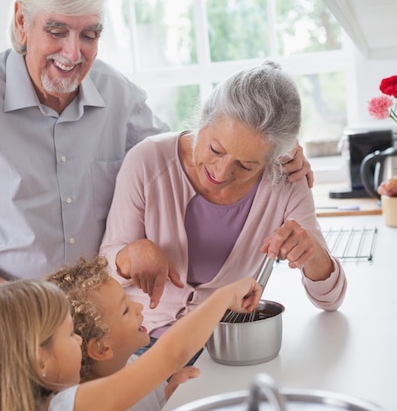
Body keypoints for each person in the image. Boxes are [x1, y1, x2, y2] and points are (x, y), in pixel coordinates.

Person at [0, 0, 312, 304]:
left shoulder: (117, 96)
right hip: (0, 316)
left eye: (90, 34)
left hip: (95, 319)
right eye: (56, 30)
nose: (74, 53)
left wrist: (277, 154)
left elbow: (185, 160)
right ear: (20, 22)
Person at [99, 61, 347, 345]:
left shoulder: (285, 179)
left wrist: (313, 254)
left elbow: (331, 300)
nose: (221, 173)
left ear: (274, 160)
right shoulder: (147, 161)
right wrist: (128, 256)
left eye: (246, 166)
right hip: (140, 344)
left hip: (224, 347)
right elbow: (105, 269)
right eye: (215, 149)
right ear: (203, 121)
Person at [0, 275, 262, 411]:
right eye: (69, 334)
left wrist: (165, 394)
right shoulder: (63, 406)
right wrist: (223, 298)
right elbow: (171, 353)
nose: (79, 340)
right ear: (39, 360)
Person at [46, 256, 198, 410]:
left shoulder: (133, 362)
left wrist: (169, 394)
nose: (138, 306)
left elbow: (156, 405)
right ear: (101, 348)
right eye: (125, 310)